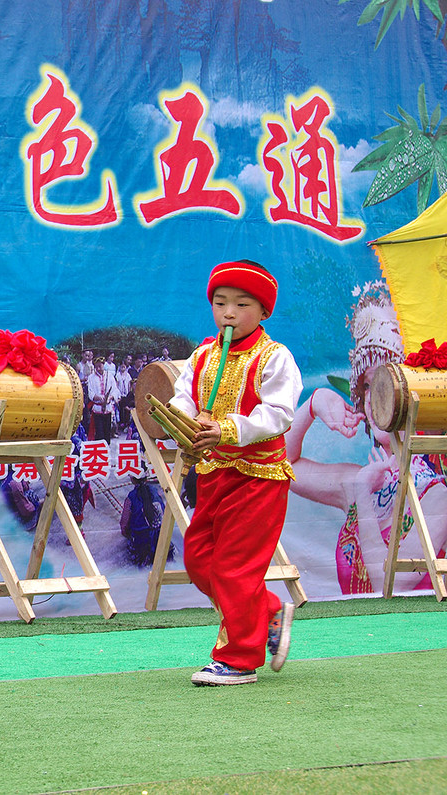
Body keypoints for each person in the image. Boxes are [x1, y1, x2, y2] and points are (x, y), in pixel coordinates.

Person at [168, 259, 301, 686]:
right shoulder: (202, 355)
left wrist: (226, 428)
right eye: (220, 302)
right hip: (213, 475)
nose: (228, 313)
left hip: (259, 477)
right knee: (198, 559)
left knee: (234, 568)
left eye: (242, 304)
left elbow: (279, 414)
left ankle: (239, 659)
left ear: (263, 312)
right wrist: (183, 423)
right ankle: (267, 611)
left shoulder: (275, 358)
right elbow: (183, 399)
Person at [284, 281, 447, 594]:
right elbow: (282, 464)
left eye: (386, 382)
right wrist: (314, 403)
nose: (374, 398)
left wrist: (363, 498)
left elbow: (392, 582)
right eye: (368, 386)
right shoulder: (363, 480)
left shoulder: (437, 493)